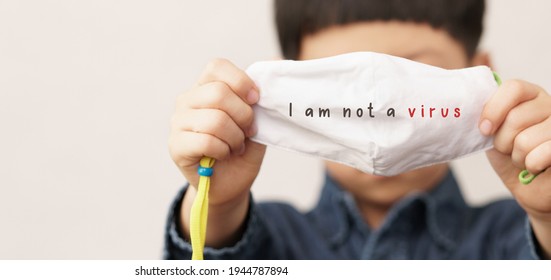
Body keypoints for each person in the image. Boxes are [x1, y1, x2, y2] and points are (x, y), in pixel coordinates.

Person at [165, 0, 551, 259]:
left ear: (481, 77)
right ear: (286, 86)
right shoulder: (272, 241)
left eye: (414, 77)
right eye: (340, 85)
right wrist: (217, 204)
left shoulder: (514, 234)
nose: (379, 112)